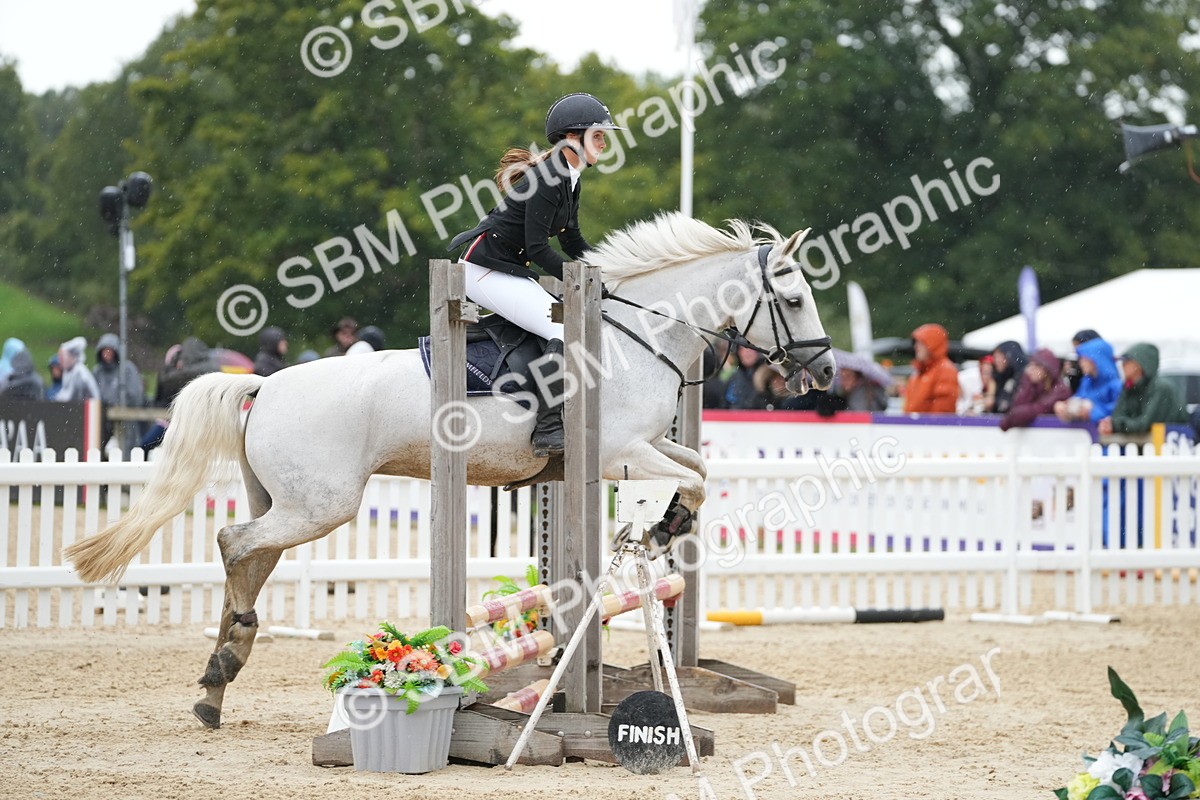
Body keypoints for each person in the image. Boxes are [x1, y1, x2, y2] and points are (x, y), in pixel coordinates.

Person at [448, 92, 621, 457]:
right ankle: (547, 427)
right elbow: (539, 247)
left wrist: (607, 271)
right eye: (599, 136)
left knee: (561, 320)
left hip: (507, 270)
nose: (604, 143)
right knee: (562, 327)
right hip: (483, 271)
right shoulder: (549, 177)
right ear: (574, 138)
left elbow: (572, 239)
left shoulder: (571, 177)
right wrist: (583, 282)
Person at [1097, 343, 1188, 436]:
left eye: (1126, 361)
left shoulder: (1161, 388)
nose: (1122, 365)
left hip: (1171, 446)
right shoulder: (1129, 387)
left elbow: (1146, 425)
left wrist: (1116, 425)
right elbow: (1117, 416)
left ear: (1139, 364)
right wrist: (1110, 424)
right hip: (1143, 447)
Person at [1055, 334, 1121, 425]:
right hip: (1086, 435)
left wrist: (1093, 412)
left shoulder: (1116, 385)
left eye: (1084, 359)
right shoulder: (1087, 381)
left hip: (1104, 437)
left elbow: (1120, 410)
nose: (1080, 363)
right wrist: (1066, 406)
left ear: (1097, 360)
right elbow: (1080, 397)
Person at [999, 348, 1072, 431]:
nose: (1030, 370)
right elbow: (1017, 406)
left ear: (1045, 369)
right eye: (1030, 366)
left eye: (1034, 366)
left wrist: (1009, 420)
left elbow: (1038, 409)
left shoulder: (1060, 390)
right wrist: (1027, 383)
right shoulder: (1034, 385)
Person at [903, 324, 959, 414]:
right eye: (916, 343)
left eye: (921, 343)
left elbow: (942, 412)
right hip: (914, 426)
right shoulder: (919, 371)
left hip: (927, 427)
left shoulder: (945, 371)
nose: (916, 347)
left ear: (932, 344)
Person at [93, 333, 144, 408]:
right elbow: (91, 393)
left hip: (125, 414)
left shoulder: (127, 369)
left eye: (110, 351)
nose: (107, 354)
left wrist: (119, 405)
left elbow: (135, 395)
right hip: (101, 414)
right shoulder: (97, 372)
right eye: (105, 350)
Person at [54, 336, 100, 402]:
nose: (59, 360)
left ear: (71, 356)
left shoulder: (79, 373)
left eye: (62, 356)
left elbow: (70, 397)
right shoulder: (68, 371)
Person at [989, 341, 1027, 414]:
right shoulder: (1002, 377)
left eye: (998, 356)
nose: (995, 360)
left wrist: (993, 401)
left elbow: (1007, 406)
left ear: (1010, 356)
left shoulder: (1024, 377)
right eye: (994, 357)